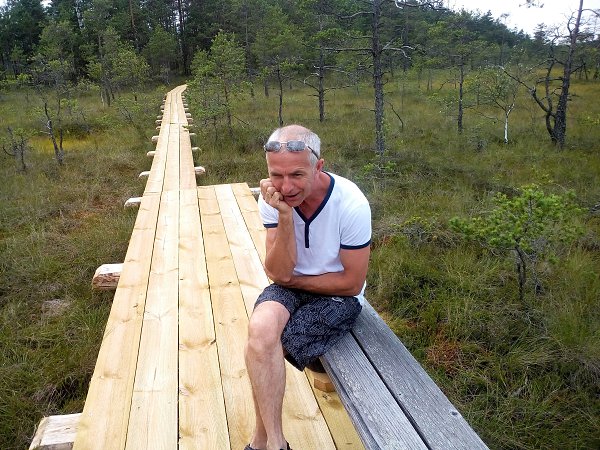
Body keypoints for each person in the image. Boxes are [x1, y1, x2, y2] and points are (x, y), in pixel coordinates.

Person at [244, 124, 371, 450]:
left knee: (265, 349)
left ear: (318, 166)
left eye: (297, 175)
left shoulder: (351, 204)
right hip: (292, 286)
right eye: (276, 175)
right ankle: (275, 442)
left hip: (339, 295)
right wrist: (285, 217)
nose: (286, 187)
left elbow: (351, 282)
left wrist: (291, 281)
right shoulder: (273, 200)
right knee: (260, 331)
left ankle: (260, 440)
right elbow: (277, 271)